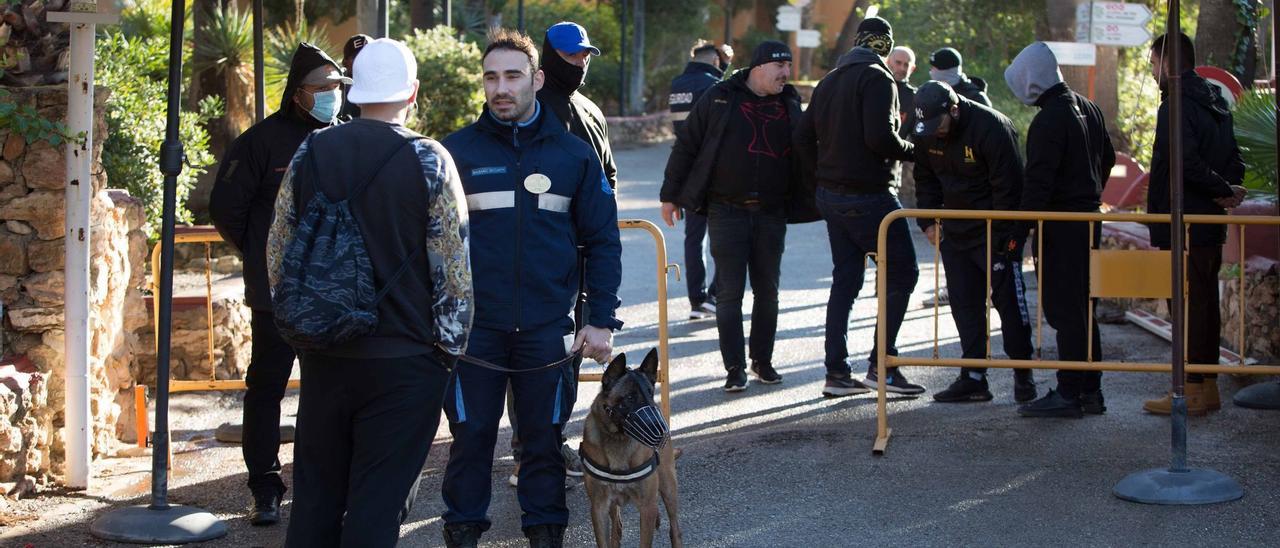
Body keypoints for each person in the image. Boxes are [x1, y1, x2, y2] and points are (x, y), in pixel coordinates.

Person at [266, 37, 474, 545]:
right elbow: (454, 272)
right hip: (405, 360)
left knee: (314, 499)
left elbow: (278, 252)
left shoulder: (312, 150)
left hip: (327, 356)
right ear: (413, 92)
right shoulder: (429, 160)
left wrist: (303, 335)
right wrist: (447, 352)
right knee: (376, 505)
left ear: (353, 91)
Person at [439, 28, 621, 548]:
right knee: (470, 438)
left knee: (542, 441)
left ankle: (545, 532)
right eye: (492, 77)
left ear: (537, 80)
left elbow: (603, 242)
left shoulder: (573, 156)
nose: (502, 88)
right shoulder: (455, 154)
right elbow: (431, 246)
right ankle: (462, 530)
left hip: (546, 328)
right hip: (475, 332)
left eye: (513, 76)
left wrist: (601, 317)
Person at [208, 42, 348, 527]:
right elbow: (227, 211)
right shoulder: (260, 142)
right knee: (266, 388)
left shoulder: (346, 138)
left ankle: (320, 483)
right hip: (277, 295)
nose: (334, 94)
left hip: (333, 295)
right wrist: (261, 256)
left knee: (327, 390)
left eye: (338, 86)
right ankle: (264, 487)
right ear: (298, 94)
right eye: (324, 88)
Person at [661, 41, 816, 393]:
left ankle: (762, 360)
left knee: (768, 292)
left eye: (789, 66)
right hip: (726, 209)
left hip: (771, 212)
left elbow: (810, 149)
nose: (786, 74)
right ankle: (734, 368)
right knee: (730, 293)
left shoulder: (790, 101)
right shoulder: (720, 96)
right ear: (759, 67)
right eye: (780, 66)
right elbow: (687, 144)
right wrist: (670, 195)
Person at [795, 17, 924, 398]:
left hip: (831, 195)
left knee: (846, 280)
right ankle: (883, 366)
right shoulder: (879, 79)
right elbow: (881, 139)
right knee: (903, 274)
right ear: (885, 46)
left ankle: (836, 373)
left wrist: (819, 178)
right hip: (869, 195)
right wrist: (917, 152)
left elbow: (802, 137)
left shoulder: (830, 80)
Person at [1003, 42, 1116, 418]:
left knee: (1064, 309)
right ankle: (1090, 390)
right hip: (1088, 221)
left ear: (1030, 81)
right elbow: (1109, 158)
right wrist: (1089, 192)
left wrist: (1017, 236)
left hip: (1061, 227)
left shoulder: (1048, 120)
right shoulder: (1089, 108)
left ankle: (1069, 393)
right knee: (1085, 308)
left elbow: (1037, 185)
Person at [909, 81, 1037, 404]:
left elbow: (1010, 188)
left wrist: (1006, 240)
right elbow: (924, 179)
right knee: (964, 303)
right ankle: (974, 376)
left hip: (995, 229)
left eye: (939, 125)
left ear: (953, 110)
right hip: (955, 231)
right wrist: (927, 221)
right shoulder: (926, 132)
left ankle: (1023, 373)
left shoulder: (991, 127)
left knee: (1008, 301)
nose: (935, 133)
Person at [1141, 32, 1247, 416]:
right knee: (1203, 300)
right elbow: (1234, 158)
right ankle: (1206, 386)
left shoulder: (1175, 104)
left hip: (1183, 220)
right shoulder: (1216, 99)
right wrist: (1228, 190)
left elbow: (1183, 162)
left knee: (1186, 303)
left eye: (1154, 64)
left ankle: (1187, 389)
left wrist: (1221, 188)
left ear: (1168, 63)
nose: (1153, 72)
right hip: (1208, 219)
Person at [668, 39, 734, 320]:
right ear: (717, 61)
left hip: (686, 169)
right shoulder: (713, 87)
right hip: (713, 171)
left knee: (694, 238)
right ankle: (716, 295)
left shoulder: (677, 85)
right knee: (727, 235)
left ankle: (697, 300)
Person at [338, 33, 371, 120]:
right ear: (345, 62)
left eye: (370, 57)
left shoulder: (383, 87)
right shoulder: (335, 88)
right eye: (358, 57)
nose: (365, 61)